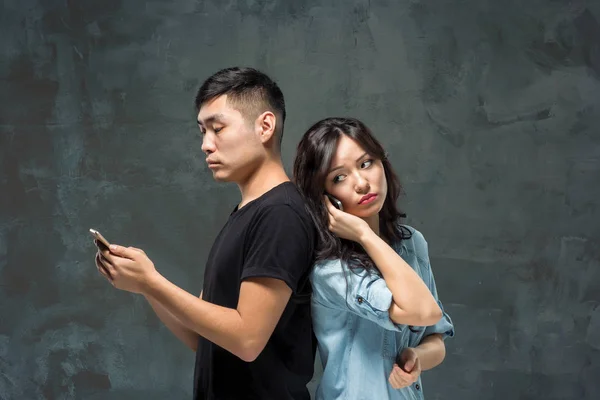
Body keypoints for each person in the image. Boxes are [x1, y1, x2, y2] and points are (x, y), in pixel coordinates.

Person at [94, 67, 317, 400]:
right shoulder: (247, 213)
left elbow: (247, 339)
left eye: (218, 128)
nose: (205, 145)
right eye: (202, 131)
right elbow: (201, 337)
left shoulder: (280, 214)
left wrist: (151, 282)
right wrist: (146, 286)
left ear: (265, 126)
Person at [293, 117, 455, 399]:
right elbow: (422, 312)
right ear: (325, 198)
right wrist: (363, 235)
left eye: (366, 163)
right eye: (339, 177)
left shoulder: (411, 243)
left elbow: (435, 334)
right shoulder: (331, 270)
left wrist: (416, 356)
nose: (361, 183)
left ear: (383, 163)